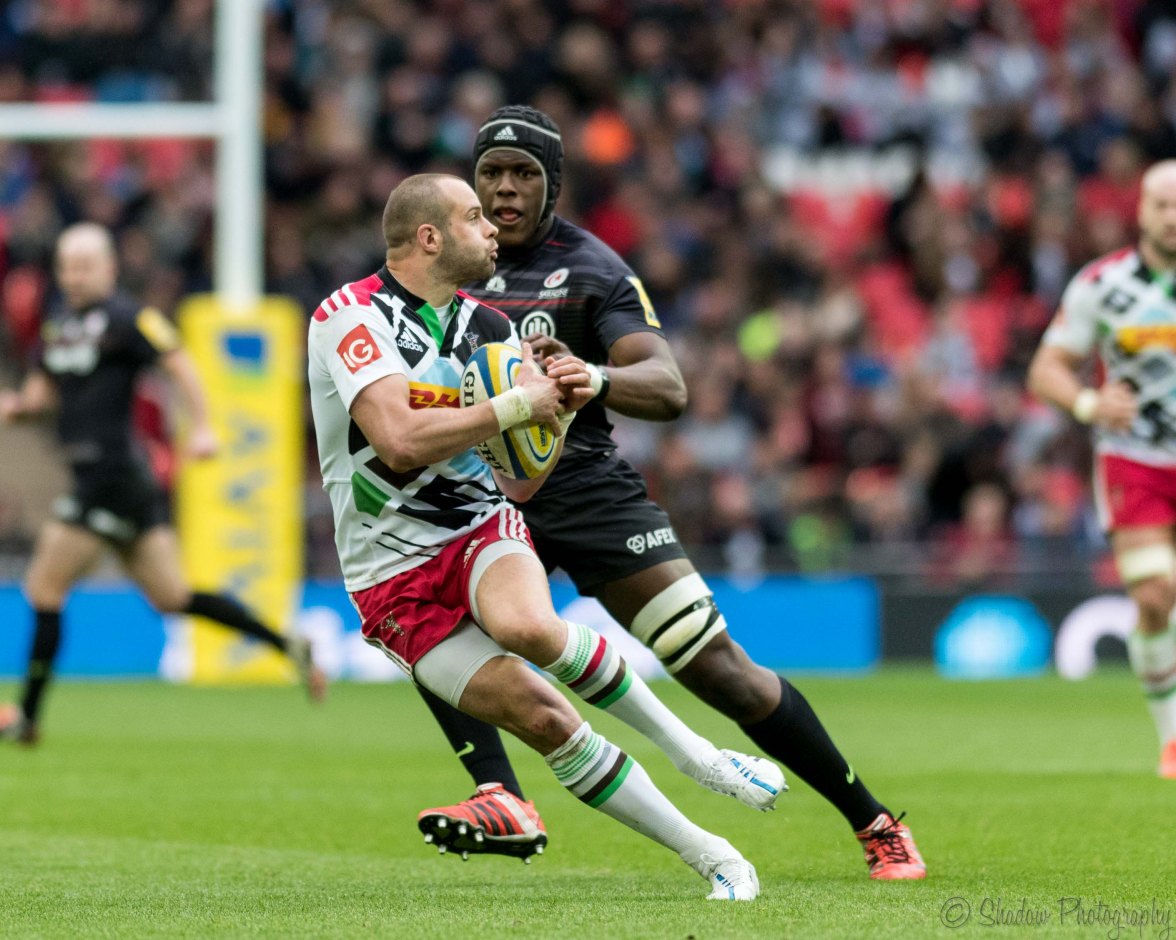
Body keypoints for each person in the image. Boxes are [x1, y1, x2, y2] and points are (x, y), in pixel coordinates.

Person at [412, 105, 927, 881]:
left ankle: (874, 821)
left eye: (524, 173)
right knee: (435, 631)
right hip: (481, 496)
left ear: (554, 184)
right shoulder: (440, 272)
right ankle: (500, 795)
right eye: (492, 173)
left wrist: (594, 376)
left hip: (585, 491)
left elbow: (668, 384)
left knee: (715, 667)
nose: (506, 188)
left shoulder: (592, 268)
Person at [307, 172, 786, 900]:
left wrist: (552, 417)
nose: (491, 229)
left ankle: (699, 756)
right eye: (474, 217)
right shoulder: (350, 317)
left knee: (527, 626)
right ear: (429, 237)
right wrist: (514, 408)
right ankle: (714, 854)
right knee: (545, 719)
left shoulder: (491, 329)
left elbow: (521, 486)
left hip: (477, 527)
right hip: (386, 574)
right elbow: (398, 441)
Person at [0, 223, 325, 746]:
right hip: (115, 483)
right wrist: (17, 407)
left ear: (109, 268)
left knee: (43, 585)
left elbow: (179, 362)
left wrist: (203, 425)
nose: (75, 277)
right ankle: (288, 643)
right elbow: (42, 396)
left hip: (111, 477)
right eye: (67, 267)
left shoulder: (129, 318)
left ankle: (28, 719)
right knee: (172, 597)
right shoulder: (58, 327)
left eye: (85, 266)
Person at [1029, 159, 1176, 779]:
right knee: (1156, 594)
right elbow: (1046, 369)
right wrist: (1090, 403)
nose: (1172, 217)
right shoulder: (1102, 284)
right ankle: (1172, 738)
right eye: (1161, 204)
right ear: (1140, 210)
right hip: (1135, 460)